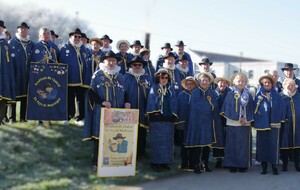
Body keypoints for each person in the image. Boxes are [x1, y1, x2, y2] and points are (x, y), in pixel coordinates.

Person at [82, 50, 130, 170]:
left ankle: (113, 162)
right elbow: (91, 93)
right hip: (102, 112)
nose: (111, 63)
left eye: (113, 60)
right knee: (100, 137)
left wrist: (127, 102)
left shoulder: (120, 77)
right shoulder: (98, 75)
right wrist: (102, 102)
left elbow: (125, 92)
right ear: (104, 61)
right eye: (109, 60)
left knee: (115, 137)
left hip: (117, 112)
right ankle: (96, 163)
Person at [185, 72, 219, 174]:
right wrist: (207, 107)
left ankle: (205, 163)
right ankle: (196, 164)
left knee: (207, 144)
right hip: (197, 122)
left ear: (209, 82)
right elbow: (194, 108)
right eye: (202, 80)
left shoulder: (212, 93)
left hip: (208, 122)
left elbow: (215, 107)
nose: (204, 82)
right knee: (198, 143)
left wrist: (211, 106)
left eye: (206, 80)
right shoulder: (195, 92)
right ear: (199, 82)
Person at [221, 72, 254, 173]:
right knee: (232, 144)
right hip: (233, 122)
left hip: (245, 123)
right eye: (238, 80)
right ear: (234, 82)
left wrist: (246, 119)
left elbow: (251, 109)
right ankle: (232, 164)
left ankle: (243, 164)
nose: (240, 82)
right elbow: (227, 108)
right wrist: (238, 118)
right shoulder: (230, 94)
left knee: (243, 145)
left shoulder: (249, 94)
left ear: (245, 82)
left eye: (243, 81)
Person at [146, 68, 177, 172]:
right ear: (158, 78)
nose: (164, 79)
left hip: (168, 120)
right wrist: (155, 112)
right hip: (157, 119)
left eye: (166, 78)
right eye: (162, 77)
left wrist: (173, 115)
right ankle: (155, 163)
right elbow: (151, 101)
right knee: (157, 142)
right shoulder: (154, 88)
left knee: (167, 142)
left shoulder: (170, 89)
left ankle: (165, 162)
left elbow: (174, 103)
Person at [254, 74, 284, 175]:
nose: (267, 84)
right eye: (265, 82)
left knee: (273, 145)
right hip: (262, 124)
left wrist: (279, 119)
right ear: (262, 84)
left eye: (269, 82)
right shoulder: (258, 95)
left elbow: (281, 108)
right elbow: (255, 109)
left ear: (272, 84)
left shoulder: (276, 95)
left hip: (274, 123)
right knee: (262, 145)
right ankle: (264, 165)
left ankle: (274, 165)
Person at [122, 56, 151, 160]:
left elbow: (151, 95)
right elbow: (122, 92)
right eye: (135, 65)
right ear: (131, 66)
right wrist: (125, 102)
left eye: (140, 65)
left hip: (143, 111)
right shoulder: (125, 77)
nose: (137, 67)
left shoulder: (147, 78)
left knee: (142, 134)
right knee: (129, 134)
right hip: (129, 111)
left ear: (142, 66)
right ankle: (128, 156)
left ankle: (140, 155)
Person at [60, 28, 87, 126]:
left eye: (79, 37)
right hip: (69, 78)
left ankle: (79, 118)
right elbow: (61, 63)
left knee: (80, 99)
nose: (77, 38)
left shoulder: (84, 48)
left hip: (82, 79)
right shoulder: (65, 48)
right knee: (69, 99)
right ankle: (67, 117)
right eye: (75, 36)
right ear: (71, 37)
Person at [9, 22, 34, 123]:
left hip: (27, 74)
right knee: (13, 96)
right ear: (18, 30)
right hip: (15, 73)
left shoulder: (31, 44)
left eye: (25, 29)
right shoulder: (12, 43)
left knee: (25, 96)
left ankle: (23, 117)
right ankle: (12, 118)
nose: (23, 30)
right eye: (21, 29)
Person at [176, 76, 198, 170]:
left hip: (194, 124)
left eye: (191, 83)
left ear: (194, 85)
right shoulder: (181, 95)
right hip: (183, 124)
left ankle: (193, 164)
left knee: (192, 144)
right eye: (187, 84)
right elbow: (178, 109)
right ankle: (184, 163)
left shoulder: (197, 95)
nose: (189, 85)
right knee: (183, 145)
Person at [280, 78, 300, 172]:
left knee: (297, 145)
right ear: (284, 86)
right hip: (285, 125)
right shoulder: (280, 97)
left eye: (292, 85)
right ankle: (285, 164)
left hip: (298, 124)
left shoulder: (298, 97)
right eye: (288, 85)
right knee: (285, 144)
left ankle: (297, 164)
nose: (290, 87)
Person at [213, 77, 231, 168]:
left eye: (224, 83)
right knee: (218, 140)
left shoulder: (230, 93)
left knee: (227, 140)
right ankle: (218, 159)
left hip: (227, 120)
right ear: (217, 83)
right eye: (220, 83)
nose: (222, 85)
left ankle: (227, 159)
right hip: (216, 120)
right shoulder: (213, 93)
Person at [0, 20, 14, 125]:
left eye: (1, 27)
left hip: (4, 74)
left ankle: (1, 118)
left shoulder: (5, 44)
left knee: (3, 97)